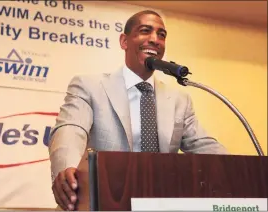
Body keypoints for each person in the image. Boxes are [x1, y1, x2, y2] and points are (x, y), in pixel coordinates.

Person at [48, 10, 228, 211]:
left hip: (158, 204)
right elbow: (70, 129)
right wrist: (66, 169)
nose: (155, 39)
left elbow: (202, 145)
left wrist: (240, 170)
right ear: (124, 41)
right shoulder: (90, 86)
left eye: (161, 35)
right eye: (145, 31)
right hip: (102, 203)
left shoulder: (179, 100)